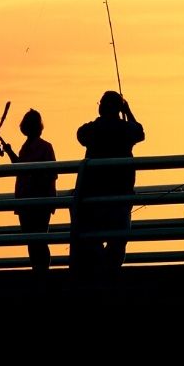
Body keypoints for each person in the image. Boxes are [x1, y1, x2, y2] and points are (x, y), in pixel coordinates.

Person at [72, 91, 145, 276]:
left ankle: (99, 270)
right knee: (119, 239)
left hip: (94, 194)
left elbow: (80, 134)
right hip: (121, 193)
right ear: (119, 108)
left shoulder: (91, 130)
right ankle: (111, 271)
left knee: (92, 237)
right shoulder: (125, 129)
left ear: (101, 107)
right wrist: (128, 111)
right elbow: (140, 132)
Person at [1, 109, 57, 273]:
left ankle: (42, 270)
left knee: (37, 238)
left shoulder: (45, 147)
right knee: (33, 239)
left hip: (38, 200)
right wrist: (10, 151)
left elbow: (51, 174)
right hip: (27, 200)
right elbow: (20, 167)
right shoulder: (25, 148)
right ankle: (39, 269)